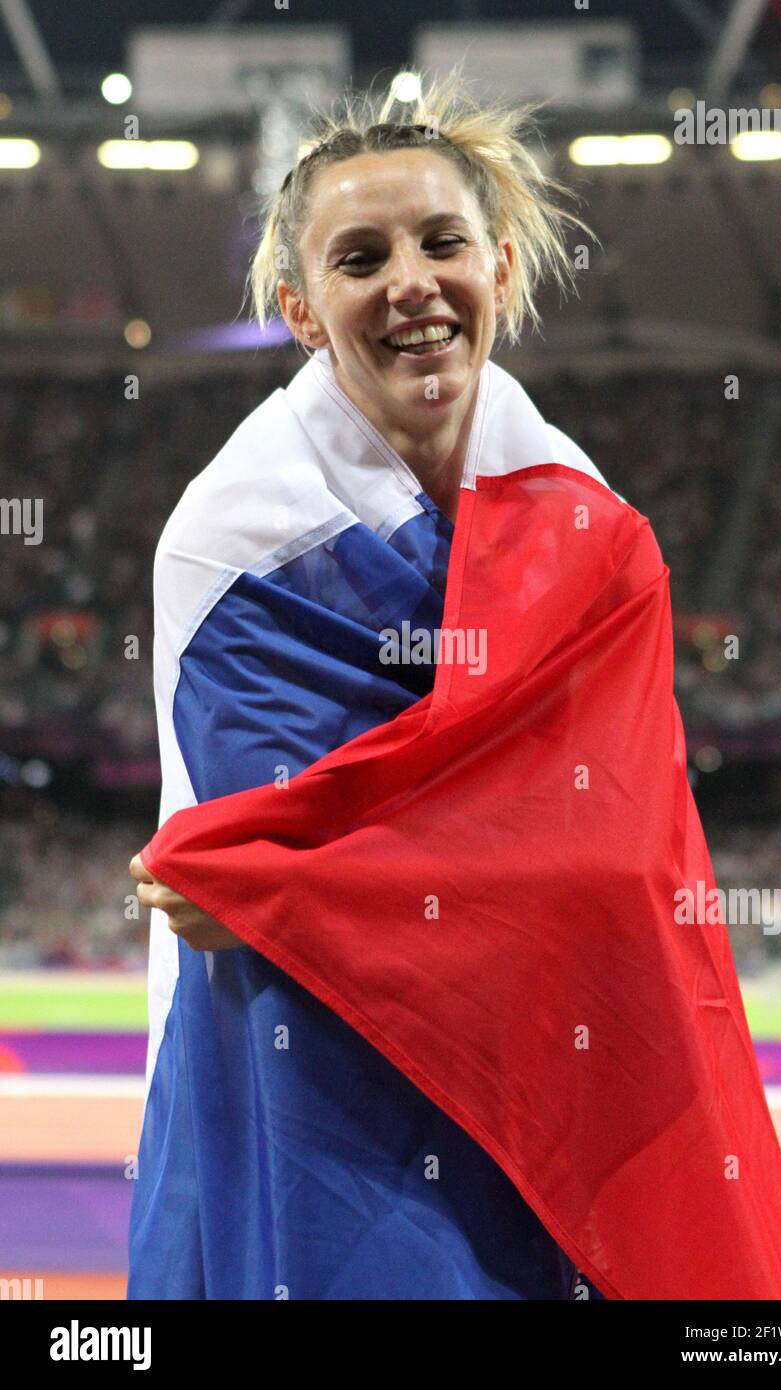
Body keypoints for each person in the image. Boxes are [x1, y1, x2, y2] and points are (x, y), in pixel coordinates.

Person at [128, 73, 609, 1300]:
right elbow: (295, 898)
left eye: (442, 241)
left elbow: (609, 841)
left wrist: (307, 881)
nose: (410, 282)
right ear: (298, 307)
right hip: (299, 1063)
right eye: (359, 256)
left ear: (499, 268)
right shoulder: (232, 542)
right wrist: (286, 885)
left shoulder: (583, 520)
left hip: (523, 1058)